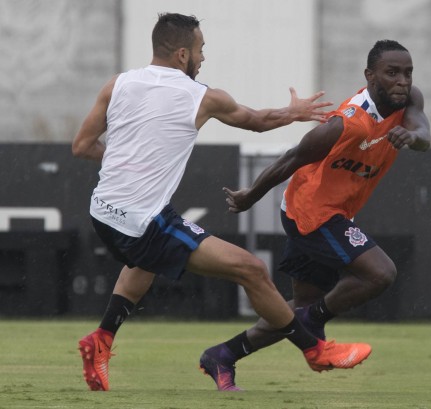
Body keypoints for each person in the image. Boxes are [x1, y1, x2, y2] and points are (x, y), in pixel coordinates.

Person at [72, 12, 372, 392]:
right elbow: (256, 120)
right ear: (182, 54)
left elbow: (81, 146)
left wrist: (123, 162)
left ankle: (101, 340)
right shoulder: (202, 96)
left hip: (103, 211)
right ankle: (315, 350)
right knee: (251, 270)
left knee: (143, 262)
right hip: (140, 219)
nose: (203, 58)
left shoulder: (117, 84)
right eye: (201, 50)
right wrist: (293, 113)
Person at [200, 39, 431, 391]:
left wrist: (412, 136)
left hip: (330, 211)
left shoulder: (410, 100)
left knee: (299, 309)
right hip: (310, 213)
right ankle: (313, 320)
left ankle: (223, 355)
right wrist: (250, 196)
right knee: (381, 273)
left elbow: (424, 134)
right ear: (370, 76)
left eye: (408, 72)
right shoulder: (348, 123)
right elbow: (292, 158)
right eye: (392, 73)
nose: (402, 80)